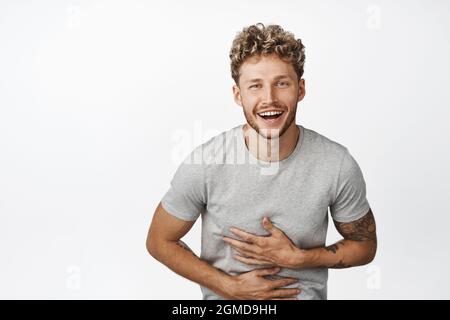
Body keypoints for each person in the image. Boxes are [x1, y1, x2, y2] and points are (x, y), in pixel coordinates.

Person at [146, 23, 377, 300]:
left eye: (282, 83)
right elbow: (159, 241)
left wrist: (301, 258)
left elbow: (365, 246)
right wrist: (230, 287)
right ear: (238, 94)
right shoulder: (206, 163)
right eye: (255, 86)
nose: (269, 99)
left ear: (300, 89)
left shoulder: (336, 164)